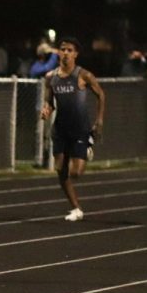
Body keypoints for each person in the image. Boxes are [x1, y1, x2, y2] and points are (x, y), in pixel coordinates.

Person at [41, 38, 106, 221]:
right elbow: (50, 102)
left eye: (70, 50)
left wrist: (99, 120)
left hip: (80, 128)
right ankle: (76, 208)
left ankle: (87, 146)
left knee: (75, 173)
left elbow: (101, 95)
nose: (65, 53)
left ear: (76, 54)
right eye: (62, 50)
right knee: (60, 169)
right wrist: (46, 109)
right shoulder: (50, 77)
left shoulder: (83, 75)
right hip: (60, 129)